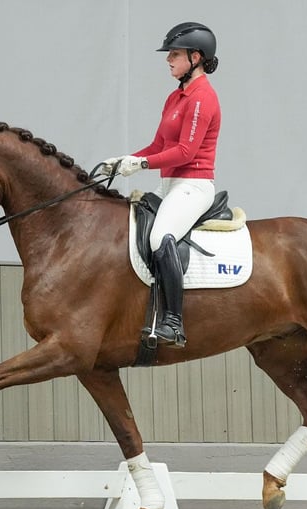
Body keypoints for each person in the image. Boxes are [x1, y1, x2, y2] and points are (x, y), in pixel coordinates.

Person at [102, 22, 221, 348]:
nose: (168, 59)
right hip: (170, 184)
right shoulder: (176, 97)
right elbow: (158, 146)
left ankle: (173, 323)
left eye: (175, 54)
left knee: (159, 237)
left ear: (195, 57)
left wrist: (140, 165)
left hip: (193, 185)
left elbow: (186, 152)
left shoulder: (202, 98)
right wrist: (125, 159)